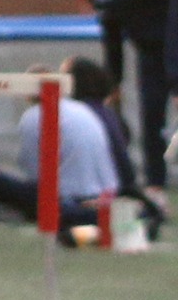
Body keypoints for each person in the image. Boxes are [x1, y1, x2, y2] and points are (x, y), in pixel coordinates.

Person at [68, 0, 171, 193]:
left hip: (173, 39)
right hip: (148, 50)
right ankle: (155, 185)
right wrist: (114, 81)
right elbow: (112, 33)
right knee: (152, 118)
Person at [0, 65, 118, 233]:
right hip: (104, 196)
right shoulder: (82, 109)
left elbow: (36, 175)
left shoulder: (33, 116)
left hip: (67, 199)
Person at [67, 56, 165, 239]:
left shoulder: (81, 114)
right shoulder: (109, 115)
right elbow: (125, 168)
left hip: (95, 193)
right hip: (112, 190)